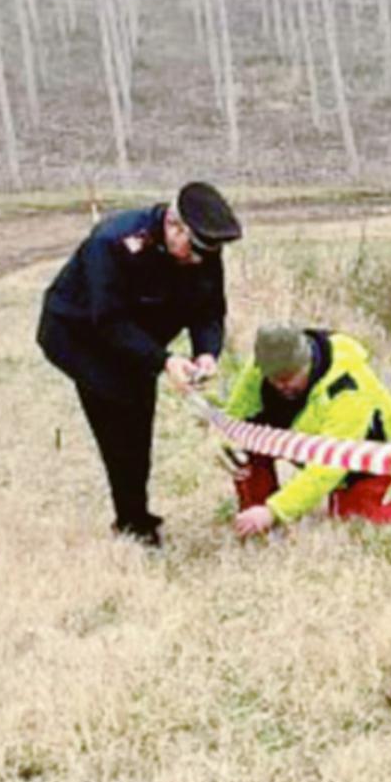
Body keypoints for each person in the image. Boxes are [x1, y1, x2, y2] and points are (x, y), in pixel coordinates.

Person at [37, 182, 241, 547]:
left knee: (139, 413)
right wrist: (164, 361)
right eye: (193, 251)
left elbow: (210, 310)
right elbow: (110, 320)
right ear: (174, 226)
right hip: (81, 335)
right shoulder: (112, 243)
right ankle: (132, 524)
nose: (199, 261)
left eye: (206, 254)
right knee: (120, 415)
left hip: (140, 333)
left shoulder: (203, 251)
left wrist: (207, 352)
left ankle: (136, 513)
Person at [222, 325, 391, 538]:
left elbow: (329, 466)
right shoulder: (262, 366)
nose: (281, 385)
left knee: (353, 521)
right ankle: (258, 525)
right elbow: (234, 421)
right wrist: (228, 451)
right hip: (303, 439)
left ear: (308, 363)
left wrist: (275, 510)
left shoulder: (348, 390)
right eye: (274, 378)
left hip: (365, 452)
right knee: (246, 447)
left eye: (289, 377)